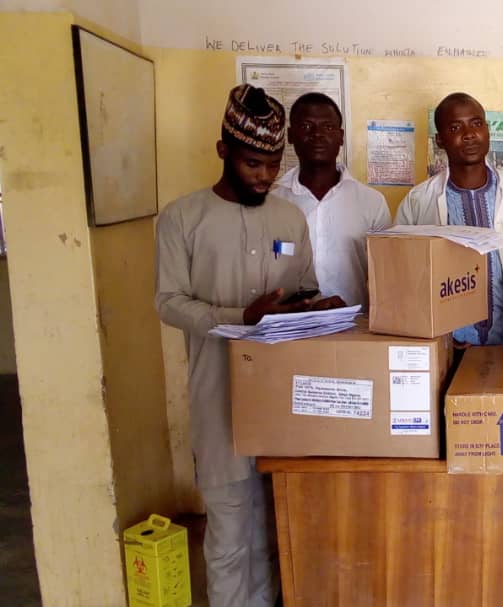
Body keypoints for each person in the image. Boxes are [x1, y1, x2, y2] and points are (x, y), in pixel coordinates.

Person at [155, 84, 343, 607]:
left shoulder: (288, 218)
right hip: (218, 395)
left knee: (284, 517)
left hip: (285, 394)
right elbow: (168, 303)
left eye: (271, 164)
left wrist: (318, 305)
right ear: (223, 152)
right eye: (252, 163)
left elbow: (303, 286)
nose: (264, 175)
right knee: (231, 526)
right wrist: (240, 318)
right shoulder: (182, 219)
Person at [396, 92, 503, 346]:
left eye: (476, 123)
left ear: (488, 131)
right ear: (440, 140)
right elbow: (402, 276)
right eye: (455, 127)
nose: (469, 134)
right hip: (446, 347)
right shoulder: (417, 202)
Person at [274, 92, 391, 309]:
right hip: (289, 330)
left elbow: (387, 278)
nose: (318, 135)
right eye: (307, 126)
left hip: (355, 329)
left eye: (328, 127)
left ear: (341, 136)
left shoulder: (371, 202)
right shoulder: (272, 202)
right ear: (290, 136)